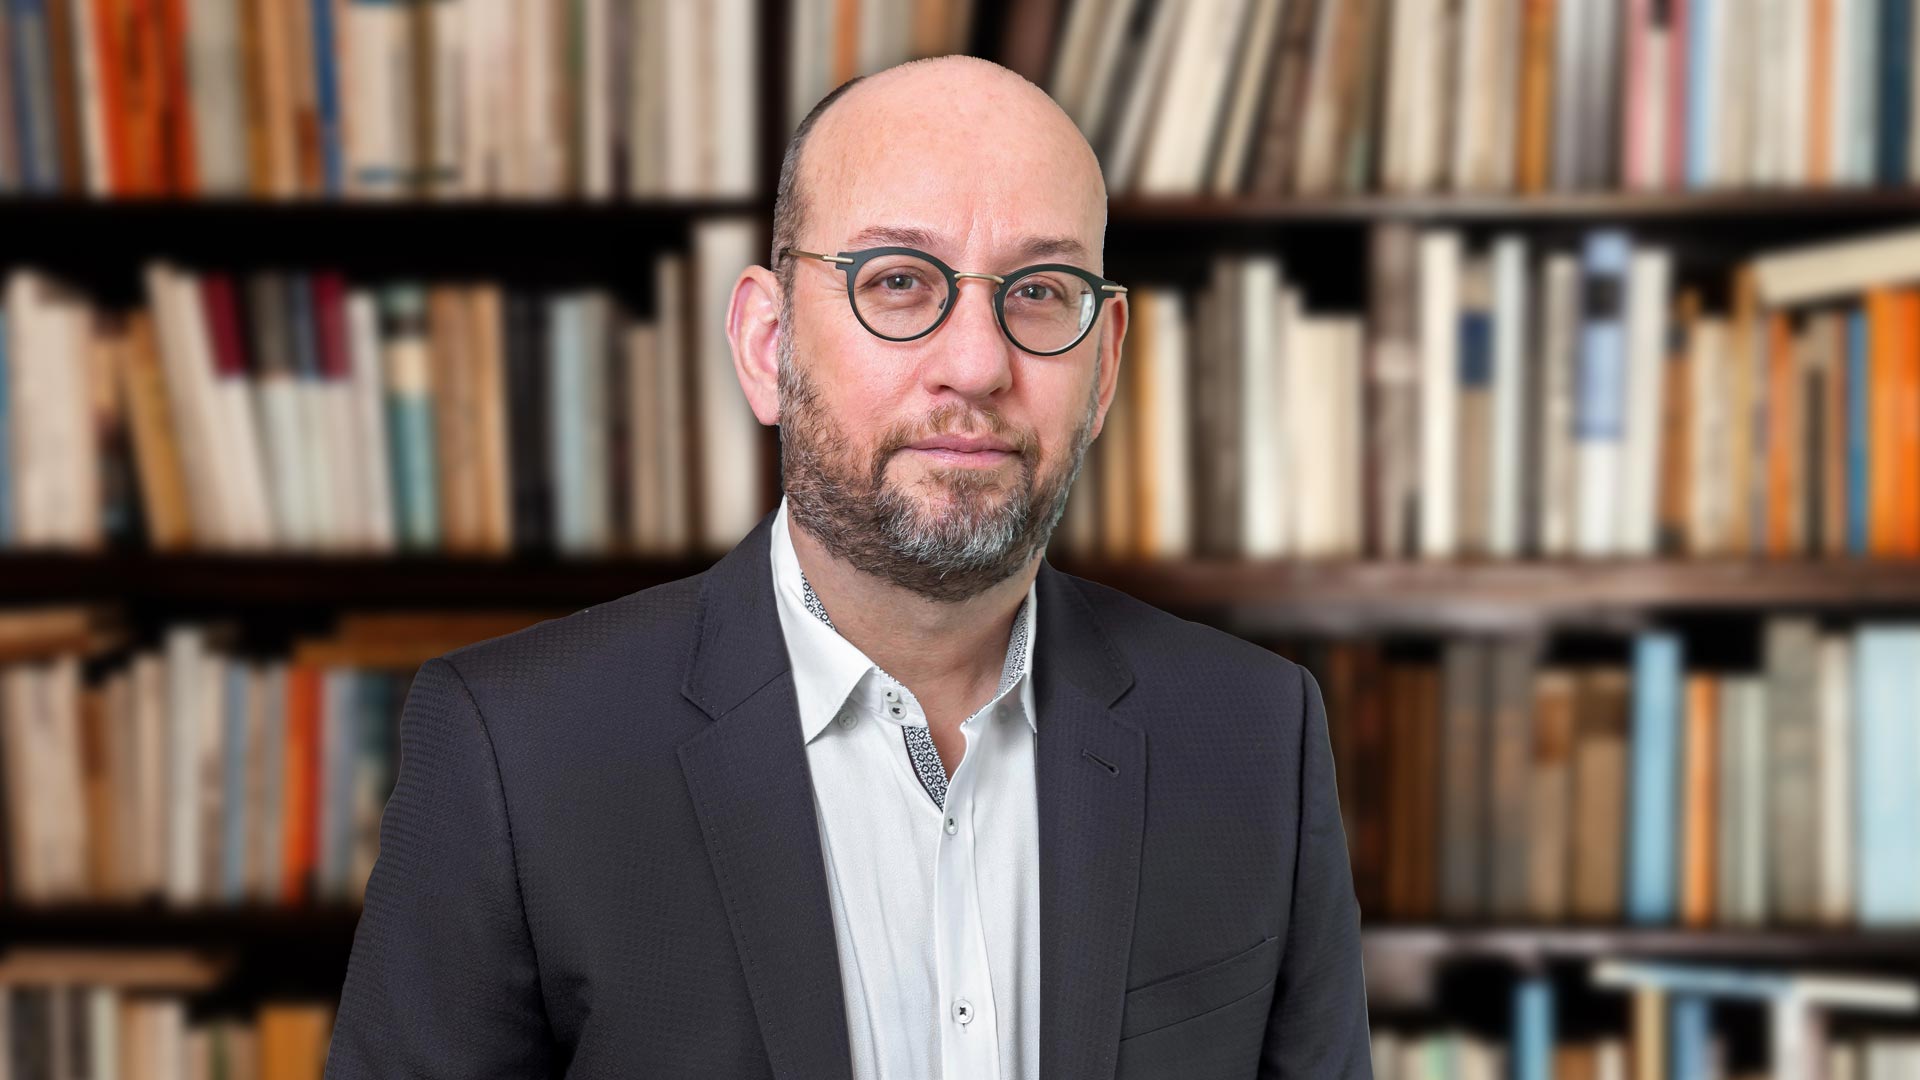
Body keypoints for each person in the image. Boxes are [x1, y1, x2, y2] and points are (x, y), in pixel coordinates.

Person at [325, 54, 1371, 1080]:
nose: (976, 364)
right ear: (765, 343)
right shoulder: (514, 752)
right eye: (899, 282)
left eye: (1041, 291)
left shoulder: (1256, 738)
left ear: (1102, 366)